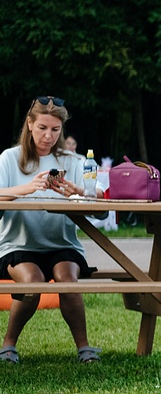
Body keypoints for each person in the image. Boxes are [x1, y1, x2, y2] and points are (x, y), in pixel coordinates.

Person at [0, 97, 105, 364]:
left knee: (67, 278)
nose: (49, 136)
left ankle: (84, 348)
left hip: (62, 244)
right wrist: (25, 189)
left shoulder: (73, 160)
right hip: (18, 245)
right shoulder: (10, 158)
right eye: (43, 128)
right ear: (30, 124)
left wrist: (79, 192)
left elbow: (102, 204)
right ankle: (8, 345)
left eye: (55, 130)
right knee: (32, 282)